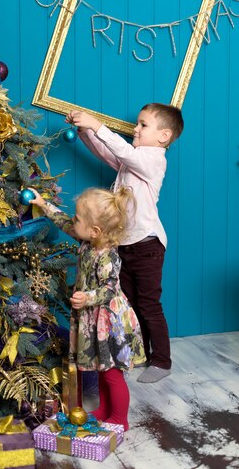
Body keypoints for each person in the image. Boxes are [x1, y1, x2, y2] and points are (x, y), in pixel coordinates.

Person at [66, 103, 184, 384]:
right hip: (124, 246)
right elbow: (109, 153)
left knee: (149, 303)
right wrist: (85, 132)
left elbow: (123, 152)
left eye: (143, 125)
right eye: (138, 123)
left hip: (147, 246)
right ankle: (138, 353)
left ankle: (162, 361)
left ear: (164, 136)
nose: (135, 128)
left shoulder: (155, 159)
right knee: (129, 303)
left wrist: (97, 124)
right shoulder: (133, 160)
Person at [29, 186, 145, 431]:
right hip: (92, 318)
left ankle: (120, 418)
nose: (74, 220)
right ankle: (105, 409)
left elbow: (110, 288)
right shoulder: (87, 240)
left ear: (95, 230)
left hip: (107, 321)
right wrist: (43, 204)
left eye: (78, 218)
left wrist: (87, 297)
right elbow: (64, 223)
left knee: (112, 373)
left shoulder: (106, 255)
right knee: (100, 368)